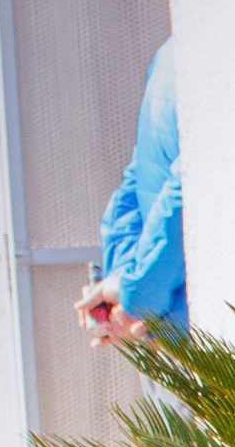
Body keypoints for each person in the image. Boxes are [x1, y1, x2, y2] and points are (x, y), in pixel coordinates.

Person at [75, 39, 185, 349]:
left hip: (163, 322)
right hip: (179, 323)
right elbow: (182, 191)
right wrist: (130, 292)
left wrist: (121, 285)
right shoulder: (205, 50)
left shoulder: (167, 56)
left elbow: (138, 177)